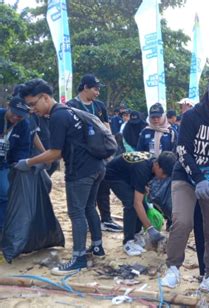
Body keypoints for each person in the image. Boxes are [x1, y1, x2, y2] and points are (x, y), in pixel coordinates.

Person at [160, 75, 209, 295]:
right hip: (186, 176)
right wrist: (198, 178)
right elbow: (182, 150)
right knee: (182, 221)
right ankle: (173, 268)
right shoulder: (192, 117)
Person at [17, 79, 105, 275]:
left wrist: (29, 162)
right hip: (97, 167)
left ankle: (79, 258)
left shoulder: (58, 116)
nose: (32, 110)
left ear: (45, 98)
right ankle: (97, 247)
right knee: (89, 207)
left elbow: (55, 152)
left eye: (33, 104)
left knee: (76, 213)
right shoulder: (69, 111)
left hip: (80, 171)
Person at [68, 74, 122, 233]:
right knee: (83, 194)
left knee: (103, 188)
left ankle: (106, 219)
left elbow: (107, 129)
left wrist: (111, 150)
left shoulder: (99, 106)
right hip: (81, 157)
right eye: (95, 89)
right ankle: (84, 222)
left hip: (100, 156)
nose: (98, 93)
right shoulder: (71, 105)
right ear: (85, 87)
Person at [104, 151, 167, 256]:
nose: (164, 176)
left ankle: (136, 234)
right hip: (114, 175)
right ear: (157, 165)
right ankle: (128, 242)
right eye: (163, 173)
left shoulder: (154, 163)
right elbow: (136, 203)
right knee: (131, 203)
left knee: (142, 202)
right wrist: (151, 229)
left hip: (128, 175)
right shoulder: (143, 169)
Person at [0, 96, 31, 241]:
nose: (16, 117)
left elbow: (23, 149)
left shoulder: (23, 125)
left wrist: (19, 163)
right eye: (14, 113)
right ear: (8, 106)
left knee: (6, 193)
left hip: (5, 164)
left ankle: (3, 229)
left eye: (20, 115)